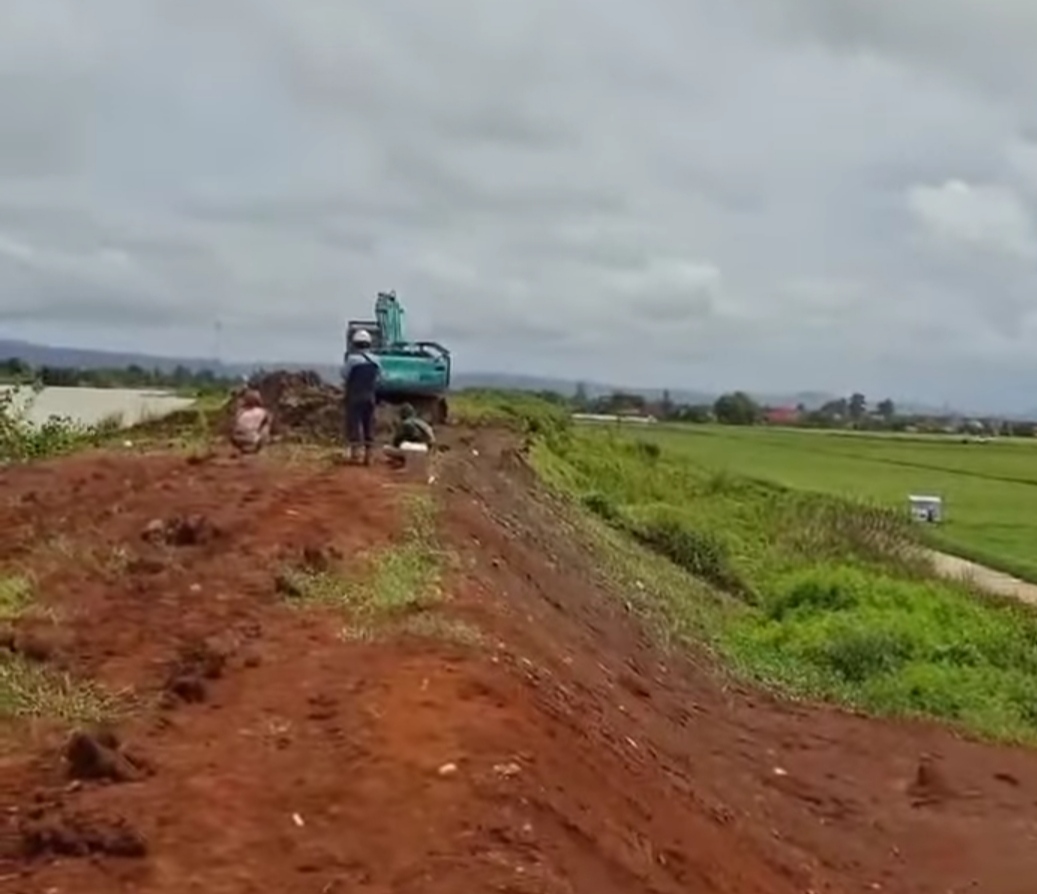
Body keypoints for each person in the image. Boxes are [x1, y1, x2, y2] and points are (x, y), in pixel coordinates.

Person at [341, 329, 381, 464]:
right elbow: (379, 377)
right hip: (370, 396)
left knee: (354, 424)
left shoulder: (352, 360)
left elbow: (344, 375)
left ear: (355, 344)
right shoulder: (376, 360)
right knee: (368, 423)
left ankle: (356, 454)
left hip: (354, 396)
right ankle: (369, 455)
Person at [384, 403, 435, 467]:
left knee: (389, 448)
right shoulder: (418, 421)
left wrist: (398, 439)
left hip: (422, 448)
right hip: (428, 448)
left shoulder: (407, 423)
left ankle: (404, 462)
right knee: (402, 444)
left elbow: (415, 436)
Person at [231, 389, 272, 454]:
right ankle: (258, 448)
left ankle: (242, 448)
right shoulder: (263, 412)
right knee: (266, 425)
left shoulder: (240, 411)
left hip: (236, 438)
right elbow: (268, 422)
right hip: (253, 438)